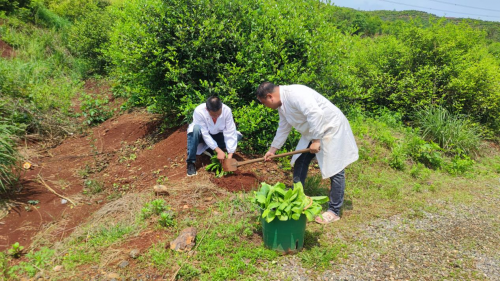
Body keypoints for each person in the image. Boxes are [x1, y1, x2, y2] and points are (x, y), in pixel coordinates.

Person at [256, 82, 358, 224]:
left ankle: (334, 211)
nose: (265, 106)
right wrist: (273, 149)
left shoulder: (295, 94)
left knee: (335, 169)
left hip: (330, 128)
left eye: (264, 103)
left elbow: (315, 113)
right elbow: (283, 127)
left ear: (269, 96)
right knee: (300, 160)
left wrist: (316, 140)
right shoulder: (282, 105)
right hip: (313, 132)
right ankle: (298, 196)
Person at [186, 96, 241, 176]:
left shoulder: (227, 110)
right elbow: (205, 134)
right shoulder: (199, 111)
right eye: (213, 115)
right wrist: (218, 150)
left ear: (221, 107)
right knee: (195, 129)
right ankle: (191, 162)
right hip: (202, 137)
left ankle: (211, 149)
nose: (216, 117)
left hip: (217, 135)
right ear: (207, 110)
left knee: (237, 136)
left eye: (218, 114)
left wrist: (230, 155)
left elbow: (230, 131)